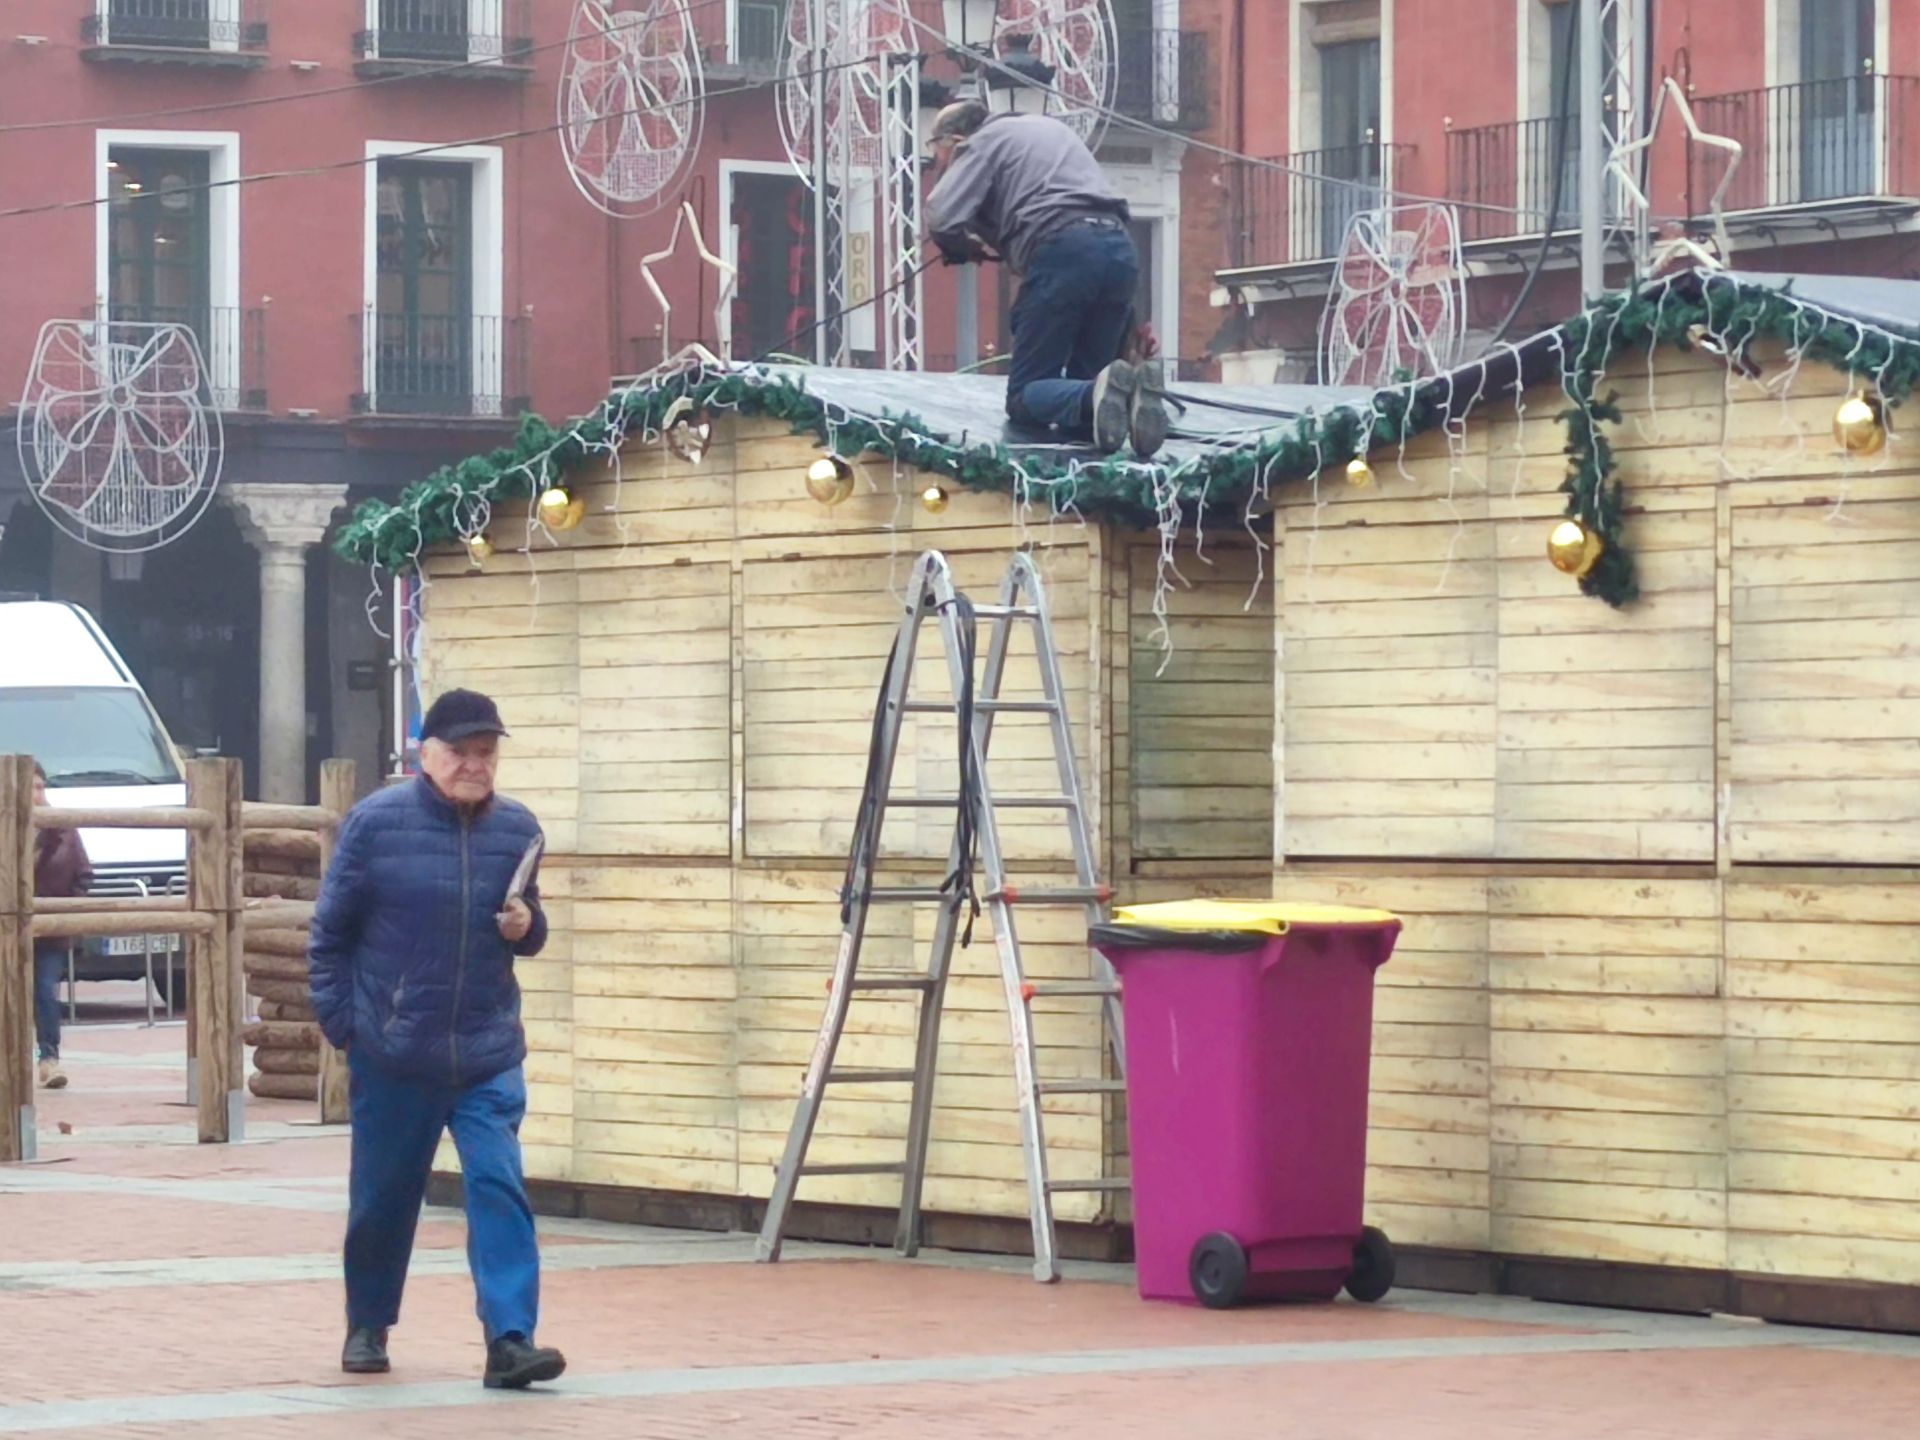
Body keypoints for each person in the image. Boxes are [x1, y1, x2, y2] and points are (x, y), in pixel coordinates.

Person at [309, 688, 565, 1391]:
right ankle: (368, 1321)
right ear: (425, 754)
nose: (475, 766)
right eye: (460, 752)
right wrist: (347, 1026)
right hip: (395, 1050)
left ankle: (511, 1340)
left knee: (497, 1183)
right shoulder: (375, 825)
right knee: (383, 1197)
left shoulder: (519, 830)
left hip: (486, 1051)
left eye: (486, 754)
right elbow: (330, 935)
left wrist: (527, 927)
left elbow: (529, 923)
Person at [925, 100, 1168, 459]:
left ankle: (1095, 395)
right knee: (1090, 417)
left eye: (936, 153)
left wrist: (958, 246)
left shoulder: (982, 142)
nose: (937, 164)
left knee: (1025, 395)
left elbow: (942, 216)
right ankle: (1122, 402)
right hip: (1120, 250)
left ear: (955, 139)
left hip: (1065, 252)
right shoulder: (1049, 131)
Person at [31, 762, 90, 1090]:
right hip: (8, 930)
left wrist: (67, 910)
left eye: (40, 787)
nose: (37, 795)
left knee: (45, 993)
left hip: (49, 930)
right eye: (30, 787)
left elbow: (84, 872)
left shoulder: (63, 828)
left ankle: (48, 1059)